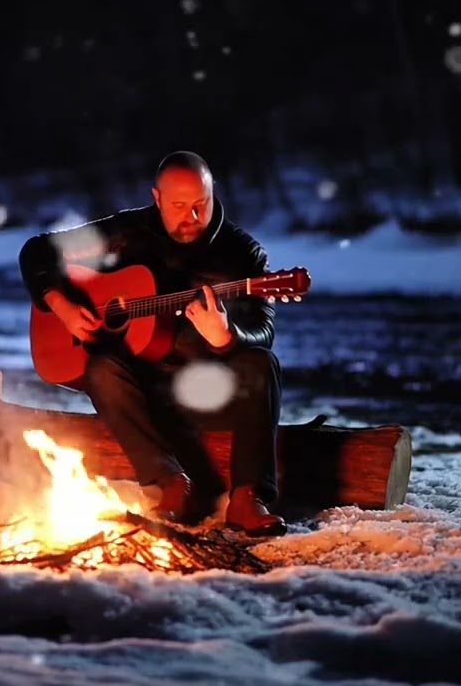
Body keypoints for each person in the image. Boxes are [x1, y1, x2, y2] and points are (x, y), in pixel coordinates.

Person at [18, 151, 286, 536]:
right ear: (157, 199)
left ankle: (246, 500)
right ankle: (171, 485)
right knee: (100, 368)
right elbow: (37, 251)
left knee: (262, 363)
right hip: (146, 394)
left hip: (209, 390)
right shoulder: (129, 233)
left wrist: (228, 337)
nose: (191, 218)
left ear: (213, 195)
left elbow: (264, 331)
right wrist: (61, 305)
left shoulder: (244, 255)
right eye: (178, 206)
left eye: (201, 205)